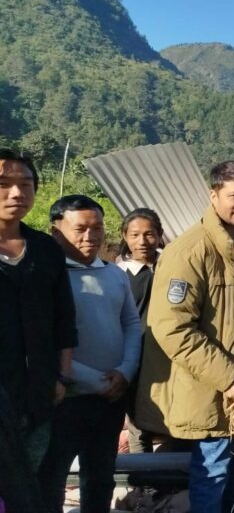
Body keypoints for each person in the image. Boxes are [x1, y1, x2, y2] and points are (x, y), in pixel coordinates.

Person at [135, 161, 234, 513]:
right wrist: (227, 377)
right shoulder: (191, 250)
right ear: (213, 195)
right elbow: (172, 328)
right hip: (213, 387)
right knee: (214, 473)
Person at [40, 195, 142, 513]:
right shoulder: (47, 278)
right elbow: (46, 343)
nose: (90, 236)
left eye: (97, 228)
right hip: (65, 399)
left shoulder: (115, 274)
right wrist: (98, 382)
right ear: (56, 232)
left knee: (100, 477)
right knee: (52, 478)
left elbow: (131, 324)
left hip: (111, 398)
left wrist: (125, 371)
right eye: (80, 229)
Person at [0, 150, 76, 511]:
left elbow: (64, 318)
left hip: (38, 393)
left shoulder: (46, 249)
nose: (17, 193)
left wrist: (62, 376)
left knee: (31, 486)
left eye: (26, 184)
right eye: (4, 184)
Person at [116, 208, 164, 453]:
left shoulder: (171, 266)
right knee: (139, 424)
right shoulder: (118, 274)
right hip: (136, 357)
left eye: (149, 234)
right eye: (135, 235)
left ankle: (171, 472)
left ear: (160, 234)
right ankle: (142, 474)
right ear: (125, 236)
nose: (142, 241)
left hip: (169, 356)